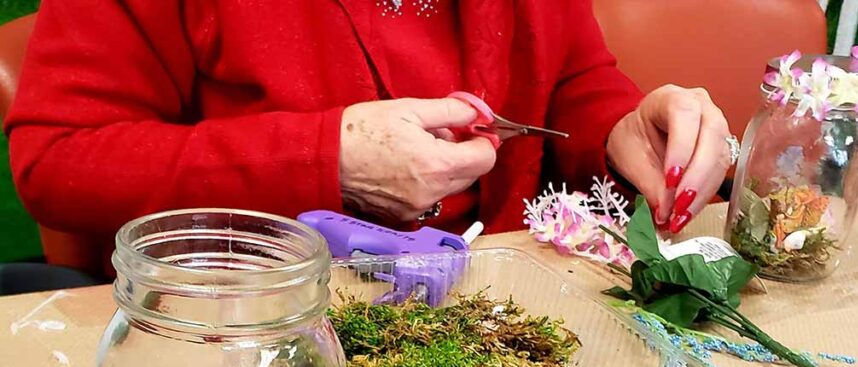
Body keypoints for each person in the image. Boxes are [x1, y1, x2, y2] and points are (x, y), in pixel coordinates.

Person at [5, 0, 734, 267]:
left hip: (501, 316)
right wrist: (326, 160)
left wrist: (618, 126)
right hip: (257, 332)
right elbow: (59, 160)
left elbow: (568, 76)